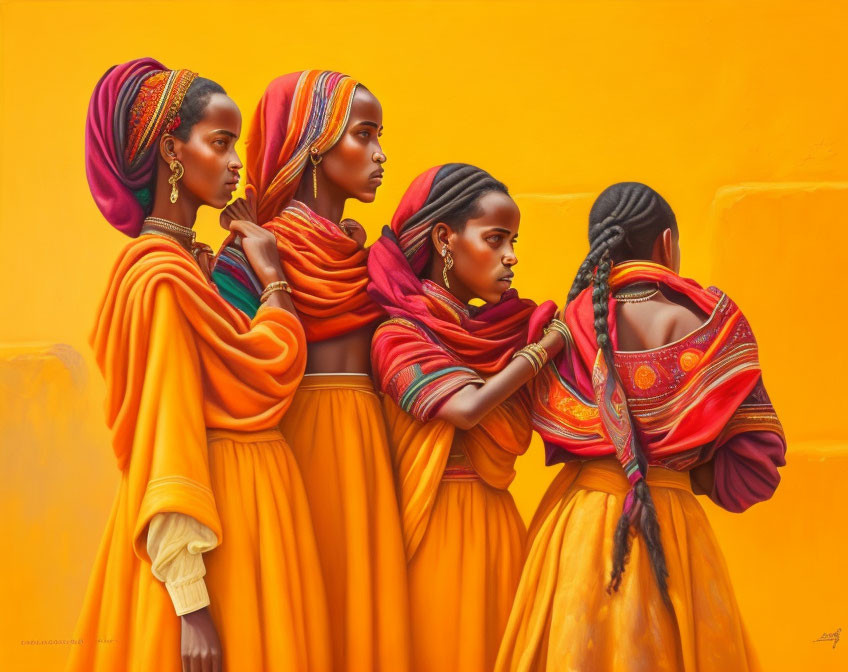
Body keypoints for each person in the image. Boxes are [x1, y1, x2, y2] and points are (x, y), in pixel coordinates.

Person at [68, 58, 331, 672]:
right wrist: (191, 606)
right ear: (171, 151)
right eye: (220, 143)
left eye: (236, 143)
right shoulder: (160, 279)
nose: (238, 161)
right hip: (208, 542)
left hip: (255, 522)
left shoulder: (198, 269)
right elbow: (168, 440)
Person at [495, 182, 786, 672]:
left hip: (579, 528)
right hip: (672, 527)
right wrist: (684, 469)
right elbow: (755, 474)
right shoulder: (710, 329)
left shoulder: (566, 328)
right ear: (667, 244)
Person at [211, 70, 408, 672]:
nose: (380, 154)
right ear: (313, 143)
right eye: (364, 134)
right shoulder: (256, 249)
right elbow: (232, 373)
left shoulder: (365, 254)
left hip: (370, 453)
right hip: (297, 451)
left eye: (381, 136)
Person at [367, 163, 564, 672]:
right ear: (444, 239)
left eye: (513, 241)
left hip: (499, 528)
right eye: (496, 239)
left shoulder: (503, 333)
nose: (511, 257)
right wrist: (545, 349)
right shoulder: (398, 335)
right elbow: (468, 409)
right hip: (432, 534)